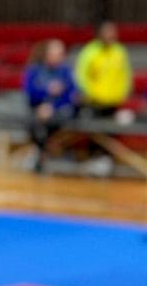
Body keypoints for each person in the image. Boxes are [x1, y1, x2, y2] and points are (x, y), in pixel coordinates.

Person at [23, 39, 78, 173]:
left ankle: (41, 152)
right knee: (33, 120)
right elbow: (30, 92)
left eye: (61, 54)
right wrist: (47, 90)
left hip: (60, 111)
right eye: (56, 54)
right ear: (47, 54)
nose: (59, 57)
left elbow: (73, 96)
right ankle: (41, 152)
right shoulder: (35, 70)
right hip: (38, 109)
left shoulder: (66, 72)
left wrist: (53, 107)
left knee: (51, 120)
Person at [74, 21, 132, 118]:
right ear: (99, 34)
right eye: (107, 32)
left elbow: (126, 74)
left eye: (112, 32)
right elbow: (81, 75)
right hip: (94, 102)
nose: (110, 35)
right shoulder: (89, 52)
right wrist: (88, 93)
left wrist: (124, 92)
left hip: (115, 100)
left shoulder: (119, 51)